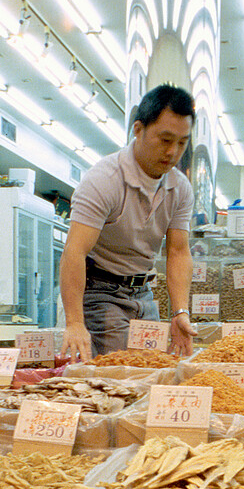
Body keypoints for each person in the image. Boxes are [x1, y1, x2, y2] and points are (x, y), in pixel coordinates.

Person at [60, 84, 197, 361]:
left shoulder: (180, 188)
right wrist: (75, 323)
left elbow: (178, 251)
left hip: (144, 292)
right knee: (117, 376)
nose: (173, 152)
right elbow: (75, 251)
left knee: (151, 370)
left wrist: (180, 311)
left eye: (182, 143)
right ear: (138, 129)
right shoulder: (104, 179)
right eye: (165, 139)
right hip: (100, 291)